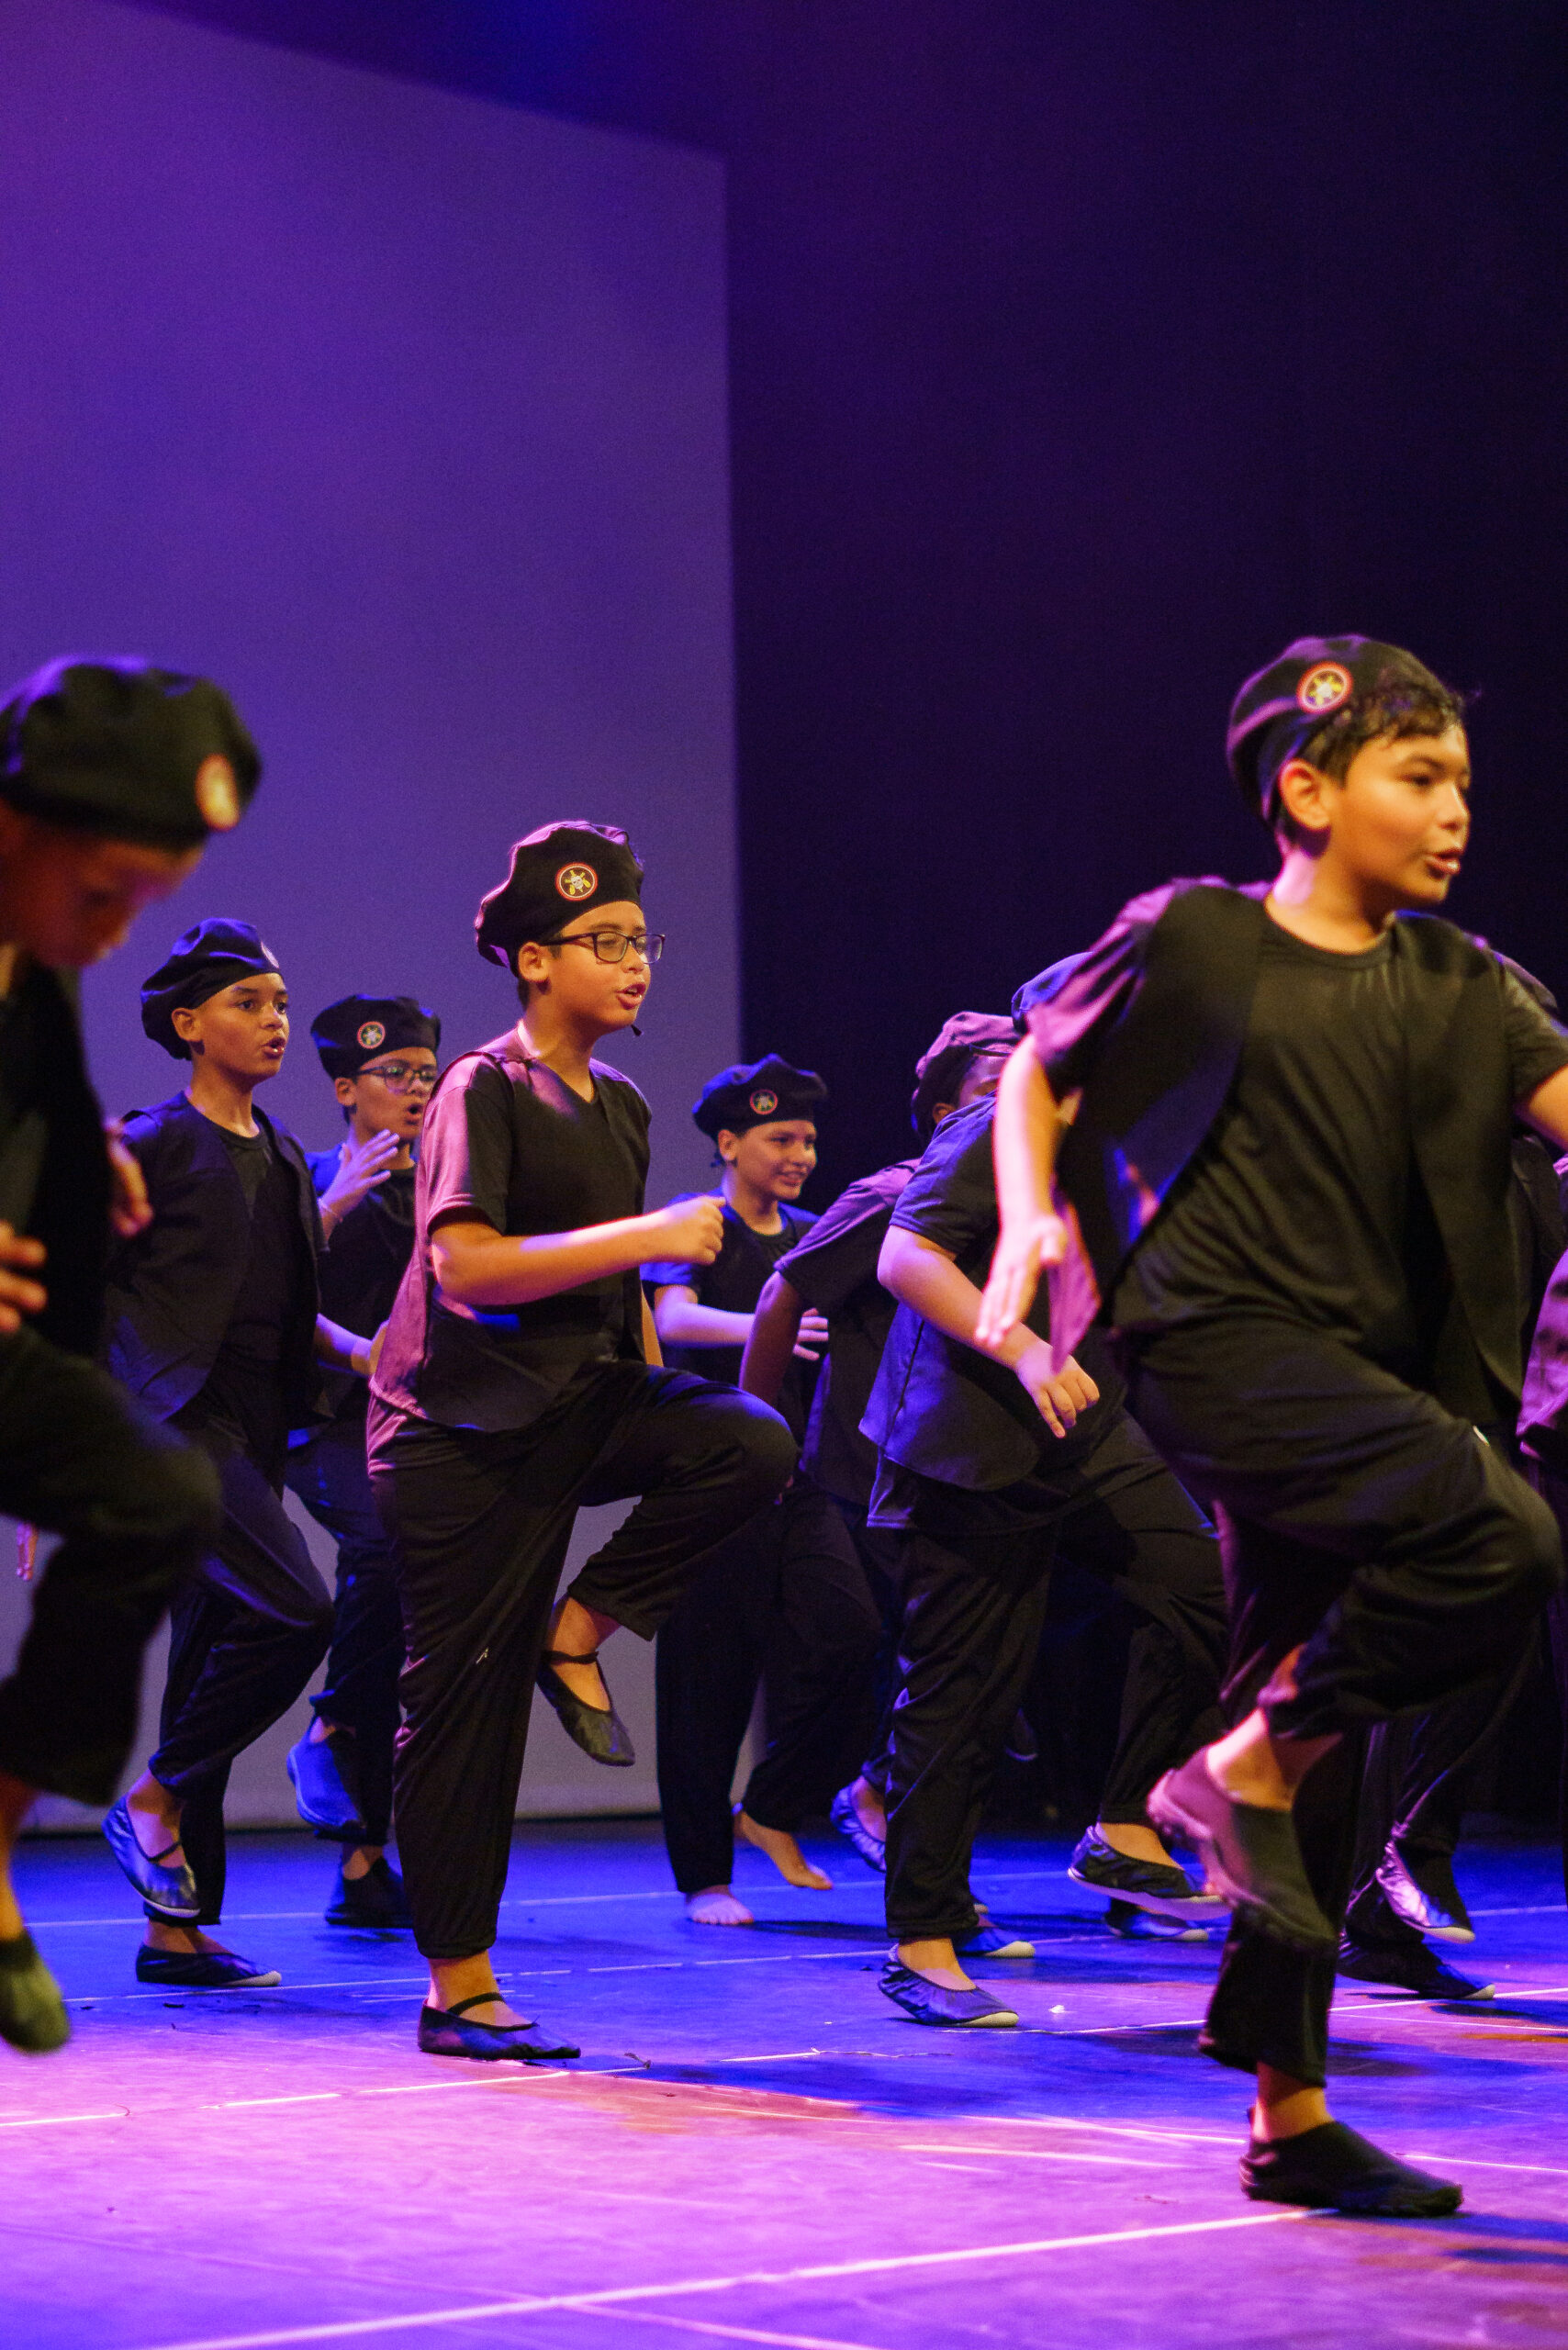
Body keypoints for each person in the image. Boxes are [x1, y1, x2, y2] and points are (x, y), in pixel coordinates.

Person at [979, 634, 1568, 2217]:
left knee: (1310, 1758)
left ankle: (1286, 2113)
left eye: (1462, 781)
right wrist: (1030, 1219)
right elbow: (1035, 1070)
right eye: (1418, 777)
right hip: (1210, 1339)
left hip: (1374, 1383)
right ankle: (1226, 1770)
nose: (1455, 810)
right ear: (1305, 790)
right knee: (1501, 1539)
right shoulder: (1195, 938)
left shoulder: (1464, 987)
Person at [367, 822, 797, 2061]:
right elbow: (466, 1268)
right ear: (536, 961)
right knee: (464, 1700)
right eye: (605, 942)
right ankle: (459, 1986)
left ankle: (575, 1632)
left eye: (641, 941)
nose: (635, 962)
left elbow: (613, 1304)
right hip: (456, 1432)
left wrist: (652, 1382)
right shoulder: (483, 1086)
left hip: (572, 1401)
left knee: (748, 1442)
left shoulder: (626, 1104)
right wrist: (649, 1237)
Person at [0, 656, 259, 2050]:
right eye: (103, 893)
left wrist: (72, 1152)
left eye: (143, 903)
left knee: (158, 1497)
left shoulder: (28, 950)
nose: (112, 936)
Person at [863, 1081, 1226, 2025]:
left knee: (1207, 1586)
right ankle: (923, 1943)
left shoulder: (1138, 1126)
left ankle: (1122, 1823)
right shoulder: (996, 1122)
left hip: (1087, 1425)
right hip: (969, 1436)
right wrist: (1024, 1347)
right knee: (964, 1692)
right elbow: (906, 1255)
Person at [101, 921, 379, 1990]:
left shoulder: (283, 1153)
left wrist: (366, 1353)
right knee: (298, 1609)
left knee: (208, 1651)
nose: (274, 1022)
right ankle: (154, 1797)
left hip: (256, 1425)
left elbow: (289, 1311)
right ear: (188, 1024)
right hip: (174, 1423)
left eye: (279, 1003)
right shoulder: (153, 1142)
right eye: (248, 1003)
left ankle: (176, 1932)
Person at [649, 1056, 882, 1924]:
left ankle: (775, 1804)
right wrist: (768, 1324)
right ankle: (703, 1875)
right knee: (708, 1677)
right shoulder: (696, 1224)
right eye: (781, 1138)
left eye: (809, 1141)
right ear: (729, 1143)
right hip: (709, 1477)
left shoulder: (820, 1233)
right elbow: (673, 1319)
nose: (800, 1155)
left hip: (802, 1475)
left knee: (856, 1636)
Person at [282, 994, 441, 1928]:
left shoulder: (449, 1189)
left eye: (427, 1075)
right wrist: (335, 1205)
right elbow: (266, 1298)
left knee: (415, 1611)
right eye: (395, 1074)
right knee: (381, 1544)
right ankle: (334, 1722)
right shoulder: (305, 1181)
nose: (416, 1090)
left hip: (422, 1422)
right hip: (323, 1422)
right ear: (347, 1088)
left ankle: (363, 1858)